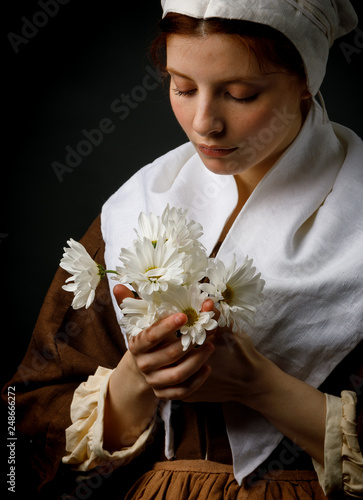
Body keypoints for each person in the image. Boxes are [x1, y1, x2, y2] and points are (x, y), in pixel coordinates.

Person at [3, 0, 363, 498]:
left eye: (240, 94)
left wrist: (259, 386)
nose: (204, 123)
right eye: (183, 87)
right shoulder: (136, 209)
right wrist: (135, 381)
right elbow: (16, 430)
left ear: (306, 80)